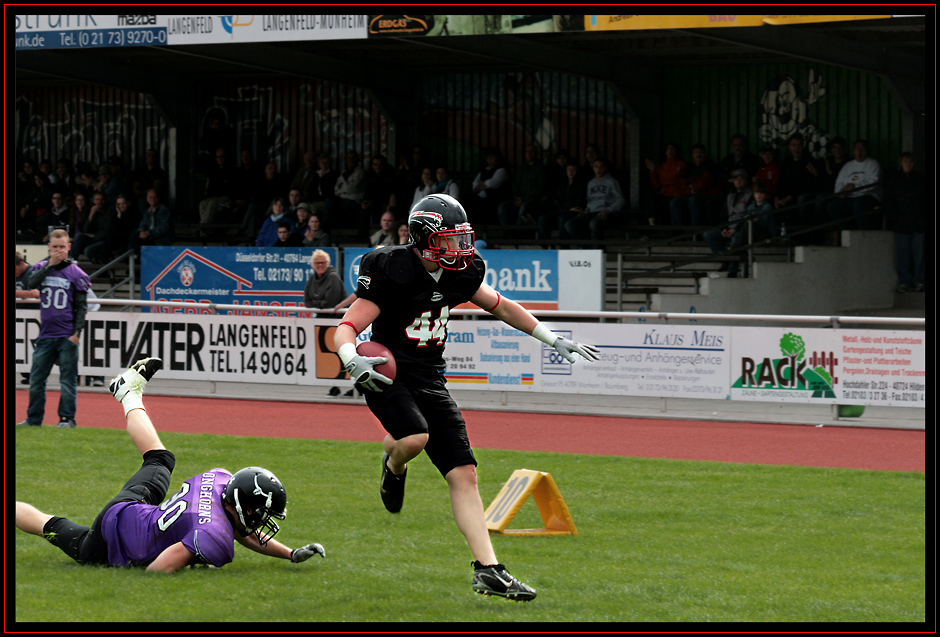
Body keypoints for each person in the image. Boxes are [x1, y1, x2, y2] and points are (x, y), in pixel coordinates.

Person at [332, 193, 600, 600]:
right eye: (449, 240)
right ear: (423, 240)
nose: (460, 248)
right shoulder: (390, 268)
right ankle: (395, 461)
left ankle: (488, 571)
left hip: (430, 376)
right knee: (415, 438)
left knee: (464, 473)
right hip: (388, 373)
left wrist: (551, 337)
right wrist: (351, 358)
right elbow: (347, 327)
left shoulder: (463, 272)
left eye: (462, 238)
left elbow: (501, 306)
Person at [16, 356, 326, 572]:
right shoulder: (216, 535)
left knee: (160, 459)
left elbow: (234, 526)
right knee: (50, 526)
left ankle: (128, 393)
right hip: (111, 542)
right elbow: (156, 570)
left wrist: (290, 554)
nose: (261, 522)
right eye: (260, 514)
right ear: (245, 507)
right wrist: (195, 565)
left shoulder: (220, 480)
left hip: (134, 506)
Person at [16, 229, 92, 428]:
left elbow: (82, 306)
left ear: (68, 247)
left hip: (66, 334)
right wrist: (50, 266)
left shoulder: (77, 273)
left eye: (61, 247)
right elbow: (31, 283)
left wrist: (76, 334)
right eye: (54, 247)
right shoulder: (42, 267)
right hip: (46, 334)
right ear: (49, 247)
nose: (58, 250)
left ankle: (67, 419)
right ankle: (34, 419)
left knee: (67, 382)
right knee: (36, 380)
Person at [882, 152, 924, 293]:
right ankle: (905, 281)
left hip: (918, 223)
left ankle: (919, 281)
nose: (908, 163)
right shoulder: (894, 181)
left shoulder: (920, 180)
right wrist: (896, 217)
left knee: (919, 255)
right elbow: (888, 202)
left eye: (911, 161)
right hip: (901, 224)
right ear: (901, 163)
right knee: (902, 255)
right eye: (906, 161)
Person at [704, 169, 753, 278]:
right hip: (729, 227)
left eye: (741, 179)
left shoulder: (750, 195)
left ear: (746, 181)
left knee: (735, 240)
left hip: (741, 229)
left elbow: (748, 216)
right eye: (736, 179)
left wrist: (735, 229)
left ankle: (732, 270)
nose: (738, 181)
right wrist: (724, 229)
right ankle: (726, 259)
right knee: (709, 235)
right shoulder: (730, 195)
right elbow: (724, 215)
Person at [828, 139, 883, 230]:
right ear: (854, 151)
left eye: (862, 149)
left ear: (867, 151)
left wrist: (855, 187)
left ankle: (862, 232)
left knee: (858, 204)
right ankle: (844, 230)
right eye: (858, 149)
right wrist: (842, 192)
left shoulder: (873, 164)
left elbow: (874, 182)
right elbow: (838, 184)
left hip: (868, 196)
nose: (860, 152)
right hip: (849, 197)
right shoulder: (848, 166)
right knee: (832, 205)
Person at [565, 158, 625, 242]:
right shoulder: (590, 183)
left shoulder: (611, 181)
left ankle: (600, 249)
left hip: (606, 212)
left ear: (606, 168)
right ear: (593, 168)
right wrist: (586, 210)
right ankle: (585, 247)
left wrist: (607, 210)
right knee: (569, 224)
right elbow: (590, 200)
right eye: (596, 167)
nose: (598, 169)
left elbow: (620, 200)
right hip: (591, 212)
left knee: (593, 223)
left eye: (601, 167)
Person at [669, 143, 724, 227]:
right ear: (692, 154)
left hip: (709, 195)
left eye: (701, 152)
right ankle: (678, 234)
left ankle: (695, 233)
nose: (698, 154)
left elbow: (705, 182)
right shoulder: (690, 167)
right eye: (696, 152)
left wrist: (692, 189)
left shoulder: (710, 164)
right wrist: (678, 174)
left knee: (693, 200)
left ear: (705, 154)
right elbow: (682, 183)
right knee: (675, 202)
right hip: (693, 194)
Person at [774, 133, 821, 228]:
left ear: (803, 147)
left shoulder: (808, 161)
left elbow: (804, 185)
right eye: (794, 145)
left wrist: (787, 198)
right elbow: (781, 181)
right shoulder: (787, 162)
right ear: (789, 147)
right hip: (787, 195)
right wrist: (777, 197)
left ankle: (801, 235)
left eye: (799, 145)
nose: (797, 148)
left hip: (802, 195)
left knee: (792, 205)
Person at [497, 144, 548, 227]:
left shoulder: (541, 169)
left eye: (531, 152)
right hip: (520, 198)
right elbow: (515, 184)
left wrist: (524, 199)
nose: (529, 154)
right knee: (502, 207)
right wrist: (517, 197)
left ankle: (518, 233)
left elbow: (541, 188)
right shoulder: (522, 169)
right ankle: (508, 231)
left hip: (533, 199)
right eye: (527, 152)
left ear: (536, 153)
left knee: (524, 208)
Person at [537, 161, 587, 241]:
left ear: (577, 170)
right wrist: (567, 208)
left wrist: (568, 208)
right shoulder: (563, 184)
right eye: (568, 169)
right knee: (543, 218)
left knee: (562, 217)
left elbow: (579, 202)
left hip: (574, 211)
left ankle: (563, 244)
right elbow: (559, 200)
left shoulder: (582, 184)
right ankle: (545, 244)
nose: (570, 171)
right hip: (563, 209)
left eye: (573, 169)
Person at [323, 151, 366, 235]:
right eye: (349, 158)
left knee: (335, 208)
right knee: (329, 202)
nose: (351, 160)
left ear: (357, 160)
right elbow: (336, 189)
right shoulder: (344, 172)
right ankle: (325, 232)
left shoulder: (360, 172)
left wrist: (343, 189)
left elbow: (352, 188)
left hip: (354, 200)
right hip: (342, 198)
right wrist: (345, 189)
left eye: (353, 158)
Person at [645, 142, 686, 226]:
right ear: (665, 152)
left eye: (673, 149)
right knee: (649, 198)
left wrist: (678, 173)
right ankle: (651, 225)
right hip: (664, 193)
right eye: (669, 149)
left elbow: (680, 182)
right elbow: (656, 185)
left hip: (676, 194)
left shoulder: (681, 164)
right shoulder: (662, 166)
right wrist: (653, 172)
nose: (671, 151)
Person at [15, 252, 40, 385]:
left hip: (34, 316)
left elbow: (34, 293)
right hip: (21, 316)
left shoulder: (32, 273)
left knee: (33, 347)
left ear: (22, 264)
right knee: (22, 347)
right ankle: (27, 373)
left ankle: (33, 374)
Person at [467, 149, 511, 225]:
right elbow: (474, 185)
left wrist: (482, 184)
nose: (489, 159)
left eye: (492, 157)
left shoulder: (502, 170)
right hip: (480, 197)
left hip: (494, 198)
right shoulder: (484, 170)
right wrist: (483, 185)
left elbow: (491, 184)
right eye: (488, 157)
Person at [198, 148, 238, 225]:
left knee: (212, 203)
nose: (220, 159)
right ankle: (205, 227)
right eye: (218, 157)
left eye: (222, 157)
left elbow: (231, 188)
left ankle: (203, 227)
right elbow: (211, 187)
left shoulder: (231, 170)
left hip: (226, 197)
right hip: (215, 197)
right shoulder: (214, 170)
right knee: (202, 204)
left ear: (225, 158)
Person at [129, 189, 174, 255]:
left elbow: (163, 227)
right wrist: (141, 231)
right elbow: (143, 223)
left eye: (154, 197)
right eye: (150, 197)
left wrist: (149, 233)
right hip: (149, 236)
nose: (152, 199)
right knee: (134, 235)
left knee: (142, 244)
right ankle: (133, 257)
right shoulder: (147, 211)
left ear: (158, 198)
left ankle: (136, 258)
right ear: (147, 199)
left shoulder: (164, 210)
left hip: (160, 239)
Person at [303, 250, 347, 317]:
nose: (320, 265)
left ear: (328, 263)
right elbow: (307, 302)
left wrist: (315, 303)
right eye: (317, 263)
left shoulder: (333, 277)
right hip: (321, 315)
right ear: (313, 264)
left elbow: (330, 303)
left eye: (323, 262)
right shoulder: (312, 278)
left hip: (338, 317)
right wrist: (320, 304)